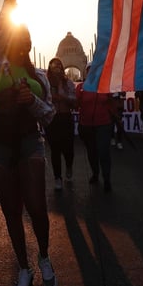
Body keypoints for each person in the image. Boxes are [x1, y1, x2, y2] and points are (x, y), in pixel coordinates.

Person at [0, 0, 57, 286]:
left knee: (37, 207)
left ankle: (43, 256)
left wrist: (34, 101)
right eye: (16, 36)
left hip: (29, 140)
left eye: (25, 38)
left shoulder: (39, 75)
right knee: (11, 209)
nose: (19, 40)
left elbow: (50, 114)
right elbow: (0, 25)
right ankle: (23, 267)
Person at [76, 63, 117, 191]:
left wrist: (116, 117)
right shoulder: (81, 88)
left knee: (104, 151)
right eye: (89, 70)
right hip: (87, 125)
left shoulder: (105, 86)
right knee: (92, 152)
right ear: (86, 73)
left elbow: (112, 103)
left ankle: (106, 178)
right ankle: (95, 173)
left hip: (104, 124)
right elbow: (76, 104)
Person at [44, 57, 77, 191]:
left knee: (68, 148)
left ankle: (69, 166)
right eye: (54, 66)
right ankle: (58, 177)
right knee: (55, 150)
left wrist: (62, 97)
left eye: (59, 66)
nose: (57, 68)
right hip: (52, 119)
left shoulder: (68, 83)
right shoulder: (45, 84)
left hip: (65, 118)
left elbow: (75, 102)